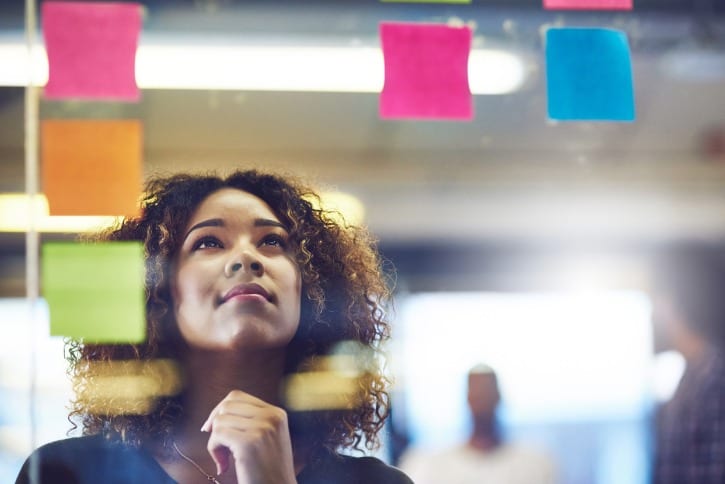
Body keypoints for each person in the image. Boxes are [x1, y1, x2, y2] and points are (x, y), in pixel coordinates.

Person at [16, 170, 412, 484]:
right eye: (208, 242)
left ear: (309, 288)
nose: (246, 258)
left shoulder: (376, 483)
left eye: (272, 241)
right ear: (161, 293)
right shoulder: (66, 474)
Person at [398, 364, 556, 484]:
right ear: (467, 398)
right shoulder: (426, 464)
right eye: (476, 392)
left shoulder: (535, 464)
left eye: (487, 391)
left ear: (498, 396)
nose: (482, 398)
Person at [650, 247, 725, 484]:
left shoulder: (715, 381)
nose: (651, 314)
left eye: (655, 301)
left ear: (671, 304)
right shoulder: (693, 377)